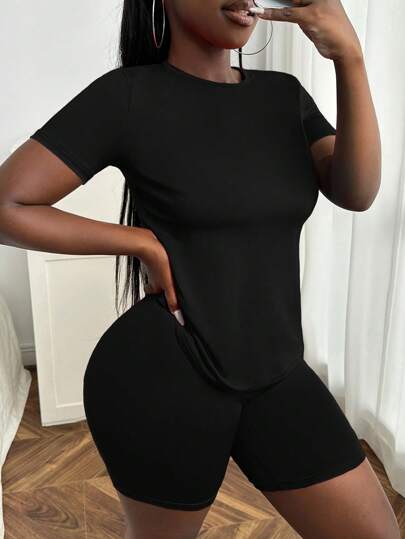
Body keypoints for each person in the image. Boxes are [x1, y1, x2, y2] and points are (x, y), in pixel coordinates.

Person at [0, 0, 399, 538]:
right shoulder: (128, 96)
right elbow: (7, 205)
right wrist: (138, 241)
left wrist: (350, 58)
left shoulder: (283, 96)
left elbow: (357, 191)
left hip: (276, 370)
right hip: (164, 377)